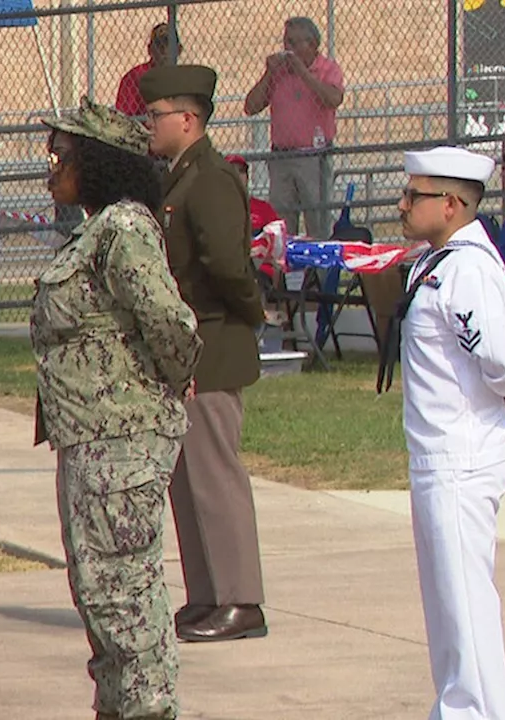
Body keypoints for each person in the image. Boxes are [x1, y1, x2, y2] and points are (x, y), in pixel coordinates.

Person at [32, 96, 202, 720]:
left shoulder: (125, 230)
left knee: (125, 598)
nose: (51, 164)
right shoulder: (95, 230)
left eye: (63, 154)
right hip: (88, 441)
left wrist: (173, 379)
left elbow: (169, 322)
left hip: (122, 444)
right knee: (97, 594)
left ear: (99, 161)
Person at [377, 146, 505, 720]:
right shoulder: (438, 259)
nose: (402, 204)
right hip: (437, 454)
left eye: (413, 195)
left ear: (449, 204)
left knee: (465, 608)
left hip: (460, 457)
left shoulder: (466, 267)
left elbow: (495, 352)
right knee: (449, 608)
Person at [140, 64, 270, 643]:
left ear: (188, 119)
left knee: (216, 475)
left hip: (212, 340)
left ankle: (242, 599)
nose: (148, 124)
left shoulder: (210, 178)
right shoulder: (178, 178)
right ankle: (208, 595)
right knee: (187, 478)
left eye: (156, 115)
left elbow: (224, 265)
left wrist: (252, 311)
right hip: (185, 347)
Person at [242, 17, 344, 241]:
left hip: (313, 157)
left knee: (317, 222)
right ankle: (285, 273)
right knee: (282, 225)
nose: (289, 49)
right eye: (286, 42)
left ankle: (317, 273)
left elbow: (333, 99)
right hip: (282, 158)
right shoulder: (279, 73)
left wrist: (304, 73)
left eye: (295, 43)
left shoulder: (327, 69)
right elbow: (251, 106)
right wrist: (268, 73)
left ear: (313, 45)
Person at [115, 23, 181, 119]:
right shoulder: (136, 76)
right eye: (159, 45)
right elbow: (123, 116)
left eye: (168, 45)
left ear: (179, 50)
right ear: (150, 49)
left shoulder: (182, 78)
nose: (164, 50)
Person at [225, 153, 281, 235]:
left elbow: (278, 236)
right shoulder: (215, 208)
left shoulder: (263, 208)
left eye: (241, 171)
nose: (237, 175)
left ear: (247, 177)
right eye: (231, 171)